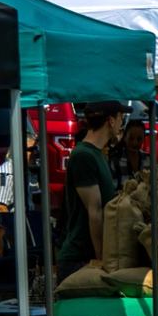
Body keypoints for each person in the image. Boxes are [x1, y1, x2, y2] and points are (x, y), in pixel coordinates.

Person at [57, 101, 123, 279]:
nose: (121, 123)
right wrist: (101, 258)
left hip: (88, 258)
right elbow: (95, 211)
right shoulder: (83, 156)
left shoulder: (96, 154)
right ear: (110, 121)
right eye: (120, 118)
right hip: (79, 259)